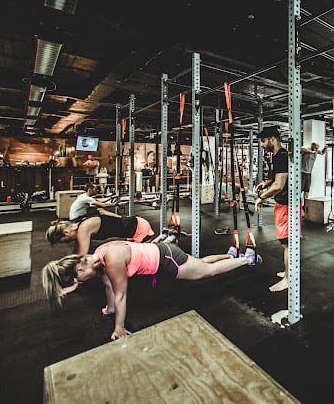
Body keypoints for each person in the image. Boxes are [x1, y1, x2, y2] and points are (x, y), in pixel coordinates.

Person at [41, 240, 261, 340]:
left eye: (79, 278)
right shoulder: (99, 254)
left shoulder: (112, 260)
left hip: (167, 260)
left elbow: (121, 294)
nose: (83, 281)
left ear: (79, 268)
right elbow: (108, 285)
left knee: (207, 272)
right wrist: (109, 309)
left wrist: (119, 327)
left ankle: (246, 259)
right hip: (163, 252)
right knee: (202, 263)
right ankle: (230, 255)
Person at [254, 126, 291, 293]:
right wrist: (266, 183)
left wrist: (261, 198)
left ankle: (288, 279)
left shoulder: (281, 155)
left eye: (263, 141)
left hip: (286, 205)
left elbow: (279, 185)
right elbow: (276, 179)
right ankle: (288, 271)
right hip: (283, 203)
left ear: (272, 139)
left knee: (287, 244)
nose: (262, 145)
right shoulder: (277, 155)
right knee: (286, 243)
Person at [46, 214, 155, 255]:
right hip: (134, 223)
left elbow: (80, 257)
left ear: (66, 232)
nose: (67, 243)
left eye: (64, 241)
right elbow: (77, 250)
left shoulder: (83, 229)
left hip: (138, 229)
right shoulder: (79, 223)